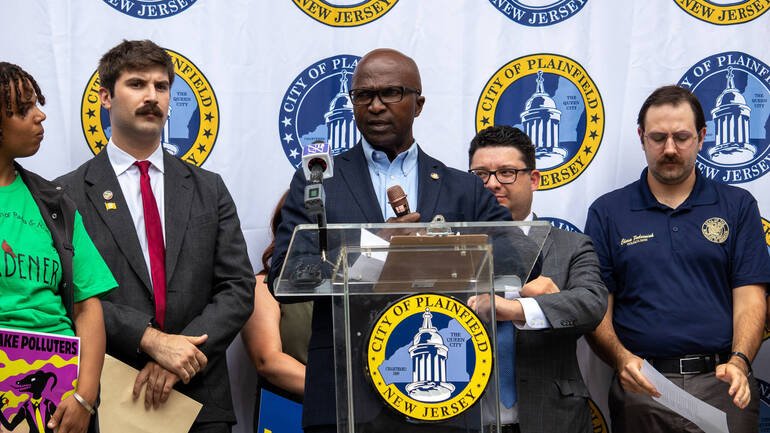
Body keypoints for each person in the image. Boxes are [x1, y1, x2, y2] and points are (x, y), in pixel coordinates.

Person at [268, 48, 512, 433]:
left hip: (446, 391)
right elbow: (286, 273)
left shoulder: (461, 188)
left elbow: (514, 257)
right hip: (344, 392)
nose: (376, 106)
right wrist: (375, 248)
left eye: (391, 93)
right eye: (363, 95)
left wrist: (440, 251)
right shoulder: (318, 180)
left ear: (419, 104)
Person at [56, 40, 255, 433]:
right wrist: (149, 340)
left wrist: (180, 355)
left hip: (200, 398)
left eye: (161, 86)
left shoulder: (209, 188)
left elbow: (237, 287)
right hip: (109, 396)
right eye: (136, 84)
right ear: (105, 97)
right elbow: (68, 293)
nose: (151, 97)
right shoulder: (67, 194)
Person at [585, 85, 770, 433]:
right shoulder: (608, 212)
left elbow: (750, 299)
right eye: (658, 138)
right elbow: (597, 308)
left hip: (723, 385)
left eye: (681, 137)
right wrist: (622, 359)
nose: (669, 149)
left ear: (701, 137)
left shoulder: (737, 205)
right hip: (642, 388)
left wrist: (740, 361)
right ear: (641, 138)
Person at [466, 125, 607, 433]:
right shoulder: (451, 247)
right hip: (467, 419)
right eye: (480, 175)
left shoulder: (572, 246)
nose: (492, 184)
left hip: (554, 418)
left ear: (533, 179)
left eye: (506, 172)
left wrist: (515, 310)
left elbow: (591, 304)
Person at [0, 62, 116, 433]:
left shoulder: (55, 203)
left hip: (58, 393)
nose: (40, 115)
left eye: (37, 104)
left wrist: (85, 398)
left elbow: (87, 307)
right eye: (24, 108)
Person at [241, 191, 311, 429]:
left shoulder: (351, 287)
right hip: (290, 414)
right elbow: (267, 360)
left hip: (352, 416)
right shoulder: (264, 286)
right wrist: (336, 390)